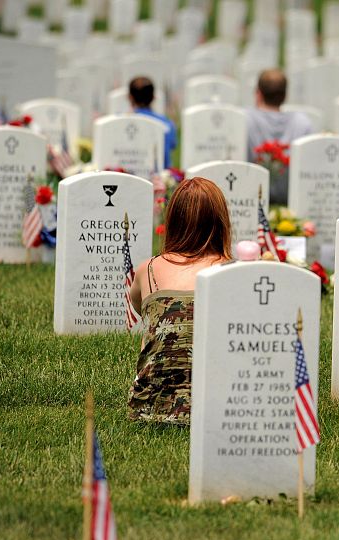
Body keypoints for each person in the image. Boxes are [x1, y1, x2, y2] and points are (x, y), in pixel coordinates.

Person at [127, 177, 231, 424]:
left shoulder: (148, 270)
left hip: (150, 408)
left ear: (173, 220)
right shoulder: (233, 273)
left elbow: (141, 310)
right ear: (220, 221)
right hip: (218, 410)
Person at [246, 68, 313, 204]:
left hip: (251, 201)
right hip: (289, 203)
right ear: (285, 95)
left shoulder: (243, 119)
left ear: (258, 94)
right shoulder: (302, 123)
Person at [128, 76, 177, 169]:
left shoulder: (121, 122)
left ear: (130, 97)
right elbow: (172, 146)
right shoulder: (167, 123)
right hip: (160, 177)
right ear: (154, 97)